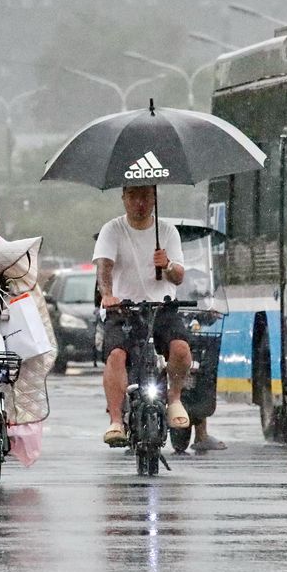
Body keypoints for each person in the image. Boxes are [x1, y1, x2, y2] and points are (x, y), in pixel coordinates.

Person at [93, 185, 194, 447]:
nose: (140, 203)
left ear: (154, 199)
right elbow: (104, 266)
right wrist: (107, 294)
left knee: (181, 349)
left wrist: (167, 265)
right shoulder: (112, 230)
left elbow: (179, 276)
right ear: (124, 198)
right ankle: (116, 420)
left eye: (146, 197)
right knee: (116, 354)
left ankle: (174, 399)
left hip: (161, 308)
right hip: (123, 310)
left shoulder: (168, 231)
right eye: (134, 197)